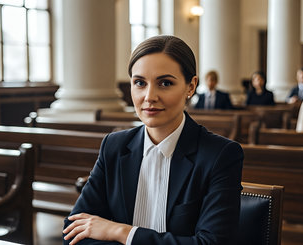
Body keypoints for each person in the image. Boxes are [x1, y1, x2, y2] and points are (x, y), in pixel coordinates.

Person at [62, 35, 243, 245]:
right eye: (140, 83)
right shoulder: (114, 146)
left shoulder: (220, 155)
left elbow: (211, 243)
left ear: (191, 87)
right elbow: (73, 233)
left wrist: (121, 232)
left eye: (165, 83)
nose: (149, 96)